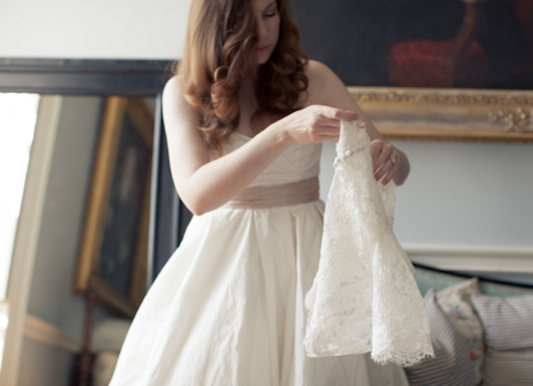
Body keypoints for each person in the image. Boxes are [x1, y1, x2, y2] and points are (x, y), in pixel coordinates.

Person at [109, 0, 411, 384]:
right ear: (216, 26)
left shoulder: (313, 78)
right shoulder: (184, 93)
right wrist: (283, 133)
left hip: (308, 252)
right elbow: (197, 196)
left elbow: (396, 169)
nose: (264, 31)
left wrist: (392, 159)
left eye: (270, 14)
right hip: (222, 260)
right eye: (245, 20)